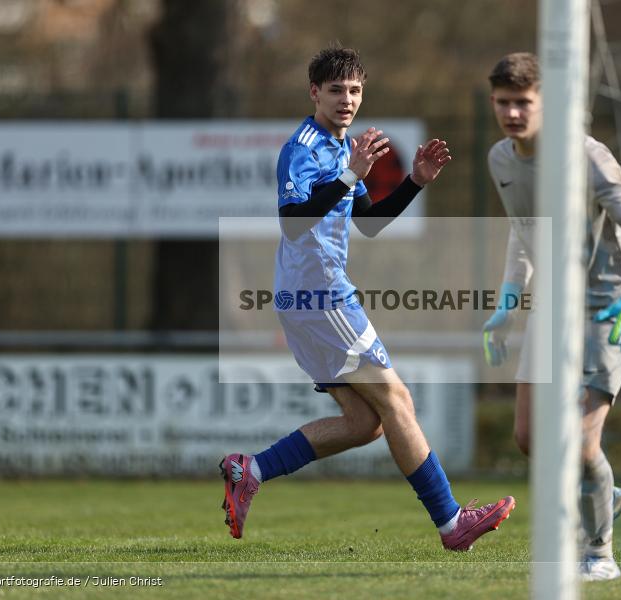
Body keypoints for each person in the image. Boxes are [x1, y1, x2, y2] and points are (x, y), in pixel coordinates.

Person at [220, 46, 515, 552]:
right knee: (397, 399)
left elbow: (369, 223)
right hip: (320, 296)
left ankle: (253, 469)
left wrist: (415, 182)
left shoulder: (340, 147)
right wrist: (352, 174)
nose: (347, 99)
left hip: (310, 297)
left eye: (355, 90)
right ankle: (452, 523)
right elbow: (293, 223)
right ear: (314, 92)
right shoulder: (304, 148)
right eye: (336, 90)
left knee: (366, 423)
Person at [481, 52, 621, 580]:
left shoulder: (587, 156)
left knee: (581, 441)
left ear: (546, 102)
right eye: (503, 103)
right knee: (530, 439)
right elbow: (524, 231)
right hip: (553, 301)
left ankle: (599, 553)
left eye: (523, 102)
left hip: (609, 303)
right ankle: (603, 491)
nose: (512, 113)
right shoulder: (500, 158)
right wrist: (506, 305)